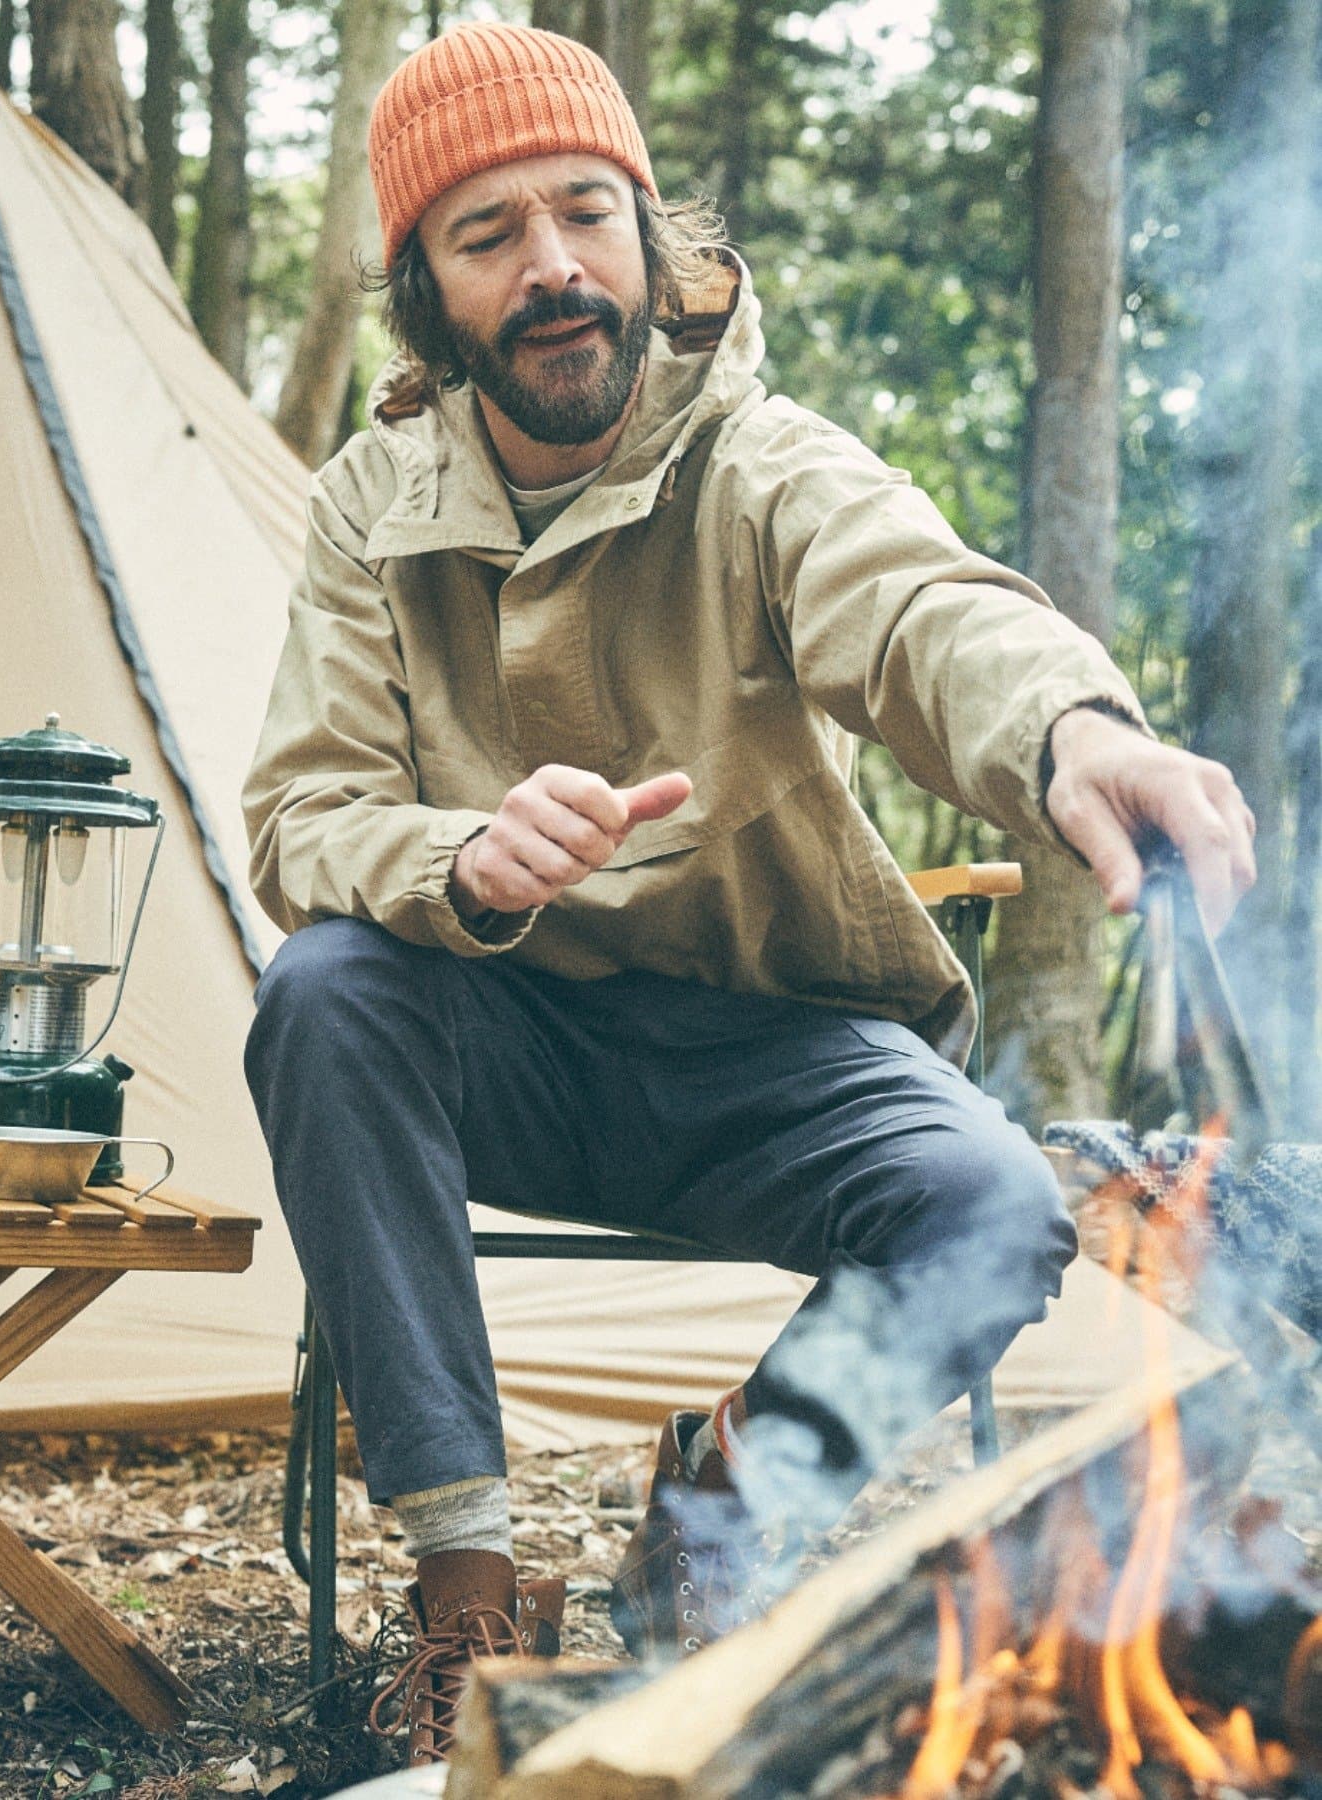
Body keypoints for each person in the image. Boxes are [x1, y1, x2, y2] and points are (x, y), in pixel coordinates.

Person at [242, 20, 1255, 1766]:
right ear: (427, 295)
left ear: (650, 227)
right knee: (325, 994)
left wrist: (1076, 730)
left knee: (993, 1204)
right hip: (509, 1045)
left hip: (774, 1044)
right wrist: (459, 859)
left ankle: (721, 1519)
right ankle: (464, 1596)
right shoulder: (367, 511)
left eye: (586, 210)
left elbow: (930, 611)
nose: (555, 267)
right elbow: (304, 813)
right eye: (490, 237)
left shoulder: (762, 458)